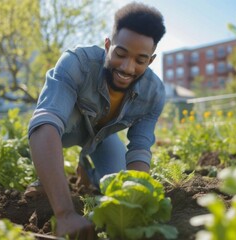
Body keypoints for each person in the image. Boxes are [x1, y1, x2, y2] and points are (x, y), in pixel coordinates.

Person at [26, 2, 166, 239]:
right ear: (108, 45)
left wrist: (133, 206)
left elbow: (140, 150)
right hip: (66, 128)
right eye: (120, 54)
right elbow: (45, 123)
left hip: (103, 138)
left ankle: (87, 172)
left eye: (140, 60)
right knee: (51, 127)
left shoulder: (154, 93)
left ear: (150, 61)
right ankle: (47, 177)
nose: (127, 67)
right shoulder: (77, 63)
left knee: (118, 186)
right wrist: (64, 214)